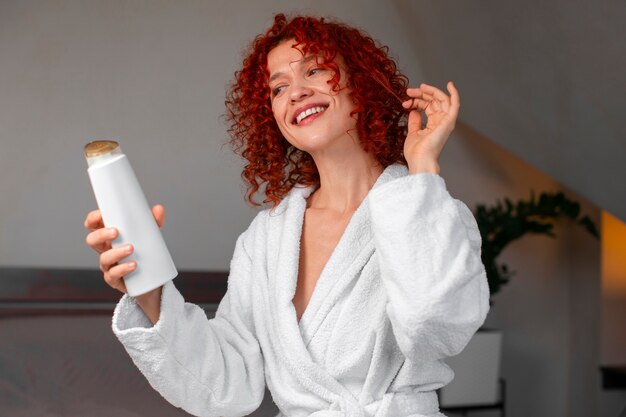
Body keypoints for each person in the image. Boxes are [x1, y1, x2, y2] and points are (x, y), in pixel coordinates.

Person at [84, 14, 489, 417]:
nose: (295, 92)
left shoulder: (433, 215)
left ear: (361, 84)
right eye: (278, 88)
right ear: (273, 118)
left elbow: (435, 326)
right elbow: (229, 384)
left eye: (313, 70)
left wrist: (420, 170)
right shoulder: (267, 240)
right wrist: (150, 294)